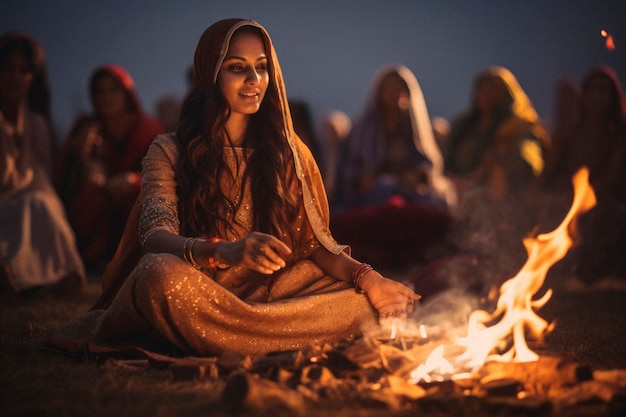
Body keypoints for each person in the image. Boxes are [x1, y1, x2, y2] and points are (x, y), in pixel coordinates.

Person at [51, 19, 420, 359]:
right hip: (199, 286)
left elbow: (314, 245)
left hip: (271, 293)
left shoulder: (288, 152)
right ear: (210, 74)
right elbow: (154, 237)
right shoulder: (169, 149)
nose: (254, 80)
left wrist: (368, 278)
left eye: (261, 67)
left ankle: (226, 338)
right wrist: (226, 251)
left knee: (363, 301)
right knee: (156, 277)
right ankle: (272, 340)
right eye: (237, 67)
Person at [330, 64, 456, 269]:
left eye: (399, 88)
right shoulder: (362, 129)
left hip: (410, 195)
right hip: (372, 196)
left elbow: (428, 167)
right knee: (383, 190)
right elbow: (347, 172)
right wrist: (362, 180)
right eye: (388, 88)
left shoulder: (414, 128)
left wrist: (417, 177)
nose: (393, 93)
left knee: (432, 210)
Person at [55, 64, 164, 271]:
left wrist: (134, 179)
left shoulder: (147, 127)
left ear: (126, 93)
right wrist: (82, 155)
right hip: (100, 194)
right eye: (100, 92)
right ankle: (89, 260)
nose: (106, 97)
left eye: (113, 90)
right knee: (90, 193)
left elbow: (163, 169)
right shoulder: (87, 126)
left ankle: (135, 260)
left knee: (137, 198)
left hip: (135, 189)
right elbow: (65, 171)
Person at [0, 32, 85, 297]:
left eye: (24, 71)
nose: (16, 77)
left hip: (30, 198)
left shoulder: (37, 123)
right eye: (8, 69)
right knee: (34, 205)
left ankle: (52, 279)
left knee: (42, 204)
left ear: (33, 77)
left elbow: (42, 177)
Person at [539, 66, 626, 282]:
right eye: (592, 90)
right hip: (563, 196)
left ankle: (589, 273)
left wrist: (576, 200)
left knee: (602, 218)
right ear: (584, 94)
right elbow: (548, 172)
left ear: (613, 98)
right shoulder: (568, 133)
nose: (596, 96)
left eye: (603, 91)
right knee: (540, 211)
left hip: (603, 200)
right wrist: (534, 195)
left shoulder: (618, 136)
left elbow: (614, 179)